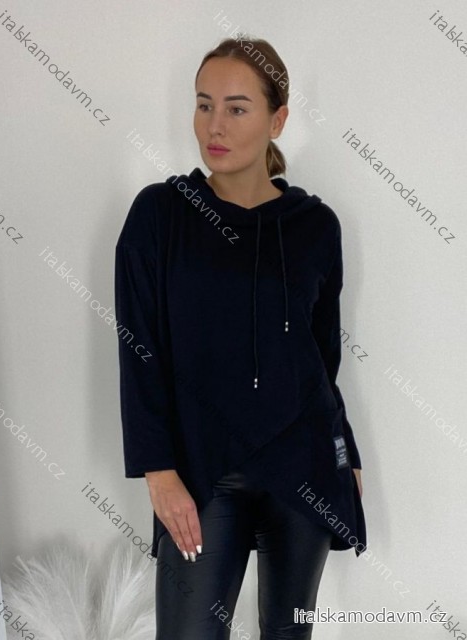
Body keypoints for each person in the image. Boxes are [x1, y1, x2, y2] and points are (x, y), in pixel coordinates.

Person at [115, 36, 367, 640]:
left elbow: (321, 359)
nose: (214, 125)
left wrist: (346, 456)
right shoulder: (160, 214)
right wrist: (158, 471)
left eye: (236, 108)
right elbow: (138, 347)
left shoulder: (315, 227)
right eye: (204, 105)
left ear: (277, 120)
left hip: (302, 467)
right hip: (203, 471)